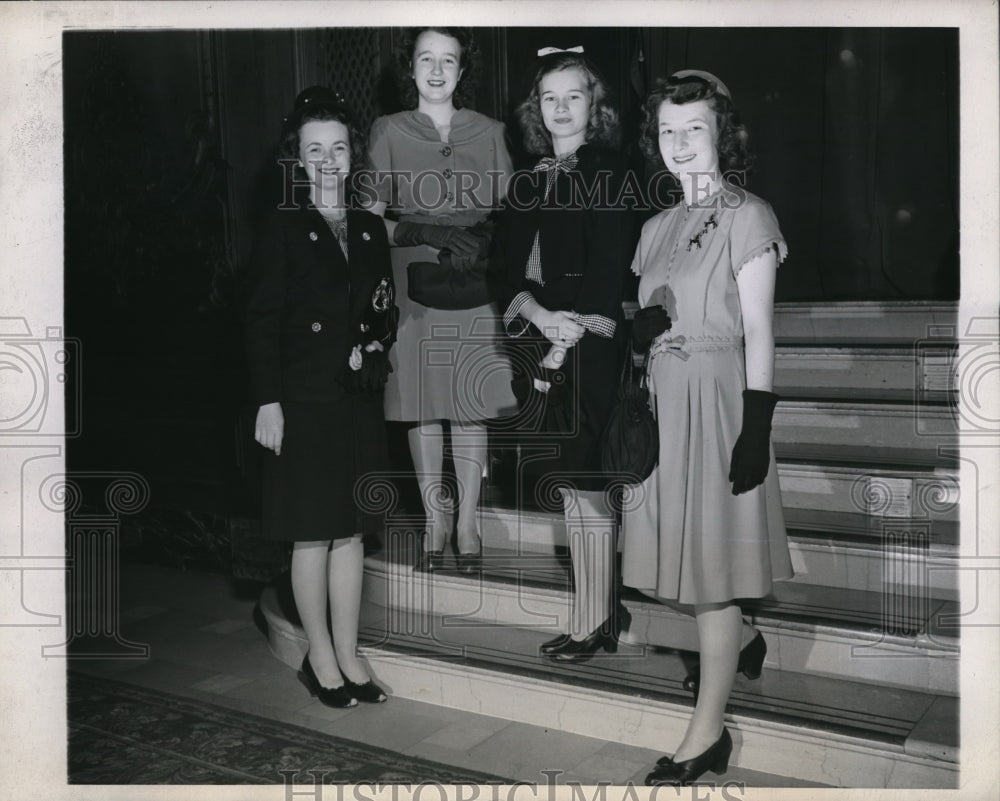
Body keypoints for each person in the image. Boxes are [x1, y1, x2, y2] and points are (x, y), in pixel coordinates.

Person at [620, 71, 794, 786]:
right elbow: (644, 320)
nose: (681, 143)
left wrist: (756, 425)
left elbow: (758, 329)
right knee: (685, 563)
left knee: (713, 576)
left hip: (721, 402)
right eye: (668, 130)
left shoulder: (748, 215)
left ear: (722, 134)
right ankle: (746, 639)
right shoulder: (653, 228)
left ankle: (708, 732)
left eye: (695, 128)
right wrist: (642, 332)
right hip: (665, 405)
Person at [245, 87, 397, 707]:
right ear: (299, 160)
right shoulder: (283, 226)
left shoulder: (368, 227)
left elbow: (386, 310)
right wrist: (267, 401)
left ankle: (349, 649)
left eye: (338, 147)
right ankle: (319, 655)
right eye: (316, 150)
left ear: (351, 153)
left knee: (352, 531)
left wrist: (375, 349)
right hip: (302, 398)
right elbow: (259, 319)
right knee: (312, 532)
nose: (329, 159)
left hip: (356, 396)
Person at [494, 48, 632, 661]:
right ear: (536, 108)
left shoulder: (610, 168)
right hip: (543, 341)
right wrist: (541, 319)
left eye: (573, 95)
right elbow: (501, 270)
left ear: (593, 105)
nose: (560, 108)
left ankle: (591, 621)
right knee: (576, 490)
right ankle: (600, 610)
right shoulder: (527, 178)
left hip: (591, 344)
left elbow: (609, 263)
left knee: (588, 489)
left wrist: (569, 329)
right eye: (549, 97)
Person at [367, 27, 517, 572]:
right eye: (425, 59)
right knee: (422, 406)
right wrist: (420, 231)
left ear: (461, 69)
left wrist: (485, 241)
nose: (436, 70)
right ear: (409, 68)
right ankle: (436, 519)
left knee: (471, 404)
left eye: (447, 60)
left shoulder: (492, 131)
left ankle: (470, 520)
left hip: (475, 279)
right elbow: (368, 219)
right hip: (415, 286)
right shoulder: (387, 131)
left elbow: (513, 217)